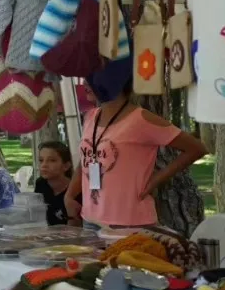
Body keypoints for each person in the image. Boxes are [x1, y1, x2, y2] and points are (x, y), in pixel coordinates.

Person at [65, 82, 207, 229]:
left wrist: (156, 180)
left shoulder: (141, 119)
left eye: (93, 77)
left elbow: (196, 148)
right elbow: (86, 161)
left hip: (128, 221)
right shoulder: (90, 117)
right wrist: (69, 195)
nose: (86, 83)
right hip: (90, 219)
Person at [34, 141, 75, 226]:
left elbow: (78, 228)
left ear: (66, 166)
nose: (44, 165)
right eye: (41, 160)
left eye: (52, 160)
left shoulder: (76, 190)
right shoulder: (41, 184)